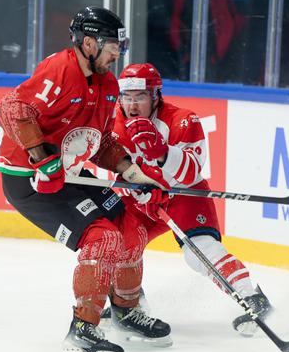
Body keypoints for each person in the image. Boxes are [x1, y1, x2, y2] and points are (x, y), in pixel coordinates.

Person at [0, 6, 171, 352]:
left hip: (71, 174)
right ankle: (81, 332)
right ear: (88, 42)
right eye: (112, 46)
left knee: (130, 226)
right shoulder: (59, 69)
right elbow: (10, 110)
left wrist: (132, 172)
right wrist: (42, 159)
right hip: (30, 179)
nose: (118, 53)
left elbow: (101, 142)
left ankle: (125, 309)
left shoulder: (107, 83)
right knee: (101, 238)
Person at [109, 62, 272, 337]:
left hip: (182, 196)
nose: (132, 105)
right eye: (127, 97)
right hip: (142, 201)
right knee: (116, 243)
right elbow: (112, 173)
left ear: (155, 95)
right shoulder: (113, 125)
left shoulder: (184, 120)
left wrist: (162, 153)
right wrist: (138, 188)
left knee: (200, 252)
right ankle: (129, 304)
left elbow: (192, 172)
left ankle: (254, 299)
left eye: (140, 97)